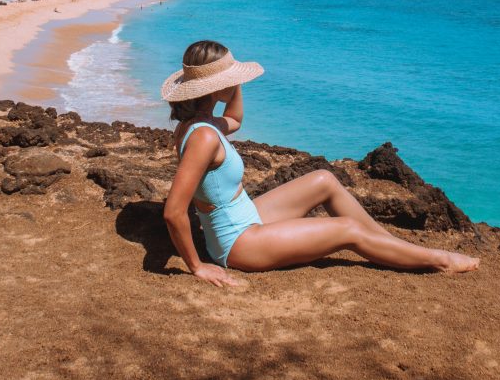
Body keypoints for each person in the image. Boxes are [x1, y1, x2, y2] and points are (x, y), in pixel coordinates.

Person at [163, 40, 479, 288]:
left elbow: (234, 118)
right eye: (229, 77)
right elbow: (174, 210)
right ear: (214, 87)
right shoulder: (204, 137)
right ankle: (437, 260)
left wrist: (234, 80)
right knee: (348, 231)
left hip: (246, 219)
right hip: (238, 244)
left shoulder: (199, 124)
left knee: (324, 179)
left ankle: (391, 245)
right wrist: (197, 267)